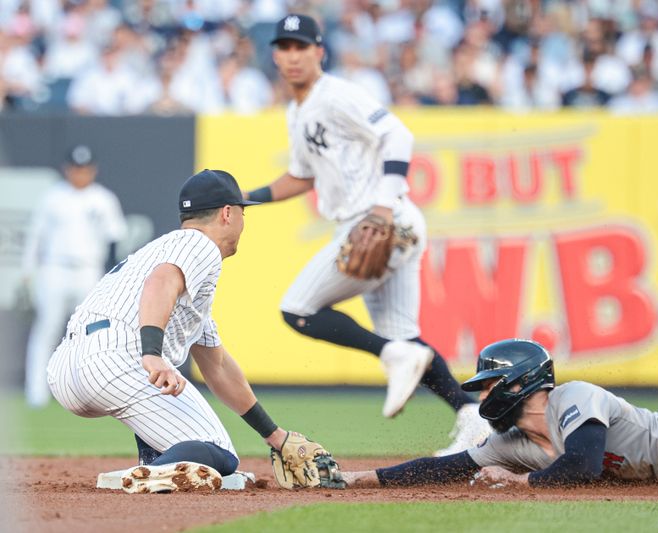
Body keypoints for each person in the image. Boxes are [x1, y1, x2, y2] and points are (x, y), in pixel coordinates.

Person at [245, 13, 490, 455]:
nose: (293, 55)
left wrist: (381, 206)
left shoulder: (334, 95)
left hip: (379, 219)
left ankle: (390, 355)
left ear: (320, 51)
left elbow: (399, 135)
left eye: (302, 46)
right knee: (407, 339)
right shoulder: (297, 111)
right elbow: (301, 176)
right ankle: (473, 419)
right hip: (390, 224)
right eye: (285, 47)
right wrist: (247, 196)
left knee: (296, 309)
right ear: (276, 56)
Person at [47, 169, 328, 493]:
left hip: (66, 370)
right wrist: (152, 354)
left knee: (176, 406)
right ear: (227, 213)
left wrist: (275, 435)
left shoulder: (168, 256)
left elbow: (217, 366)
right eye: (242, 211)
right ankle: (149, 473)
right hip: (114, 360)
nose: (242, 221)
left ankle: (156, 464)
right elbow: (161, 282)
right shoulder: (199, 244)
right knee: (219, 456)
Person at [341, 338, 658, 489]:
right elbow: (442, 468)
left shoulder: (574, 397)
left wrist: (522, 482)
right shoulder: (513, 443)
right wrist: (363, 478)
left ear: (522, 382)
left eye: (488, 387)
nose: (483, 400)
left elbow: (584, 463)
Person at [21, 145, 127, 408]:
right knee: (47, 328)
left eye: (85, 169)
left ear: (93, 170)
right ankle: (36, 394)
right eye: (76, 168)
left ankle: (89, 392)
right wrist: (27, 270)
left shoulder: (103, 198)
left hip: (88, 270)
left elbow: (115, 239)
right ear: (67, 169)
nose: (80, 174)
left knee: (91, 333)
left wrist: (110, 279)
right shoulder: (53, 197)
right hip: (54, 268)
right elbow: (36, 236)